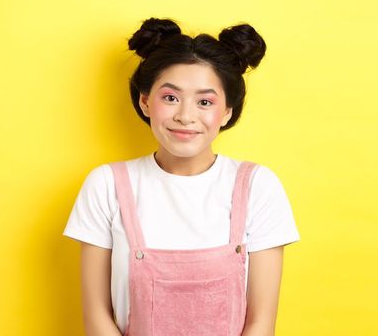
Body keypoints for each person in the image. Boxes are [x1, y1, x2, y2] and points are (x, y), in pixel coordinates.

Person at [63, 17, 301, 336]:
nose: (185, 116)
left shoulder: (258, 186)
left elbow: (261, 323)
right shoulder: (106, 185)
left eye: (205, 102)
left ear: (227, 111)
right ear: (145, 101)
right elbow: (96, 317)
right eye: (170, 97)